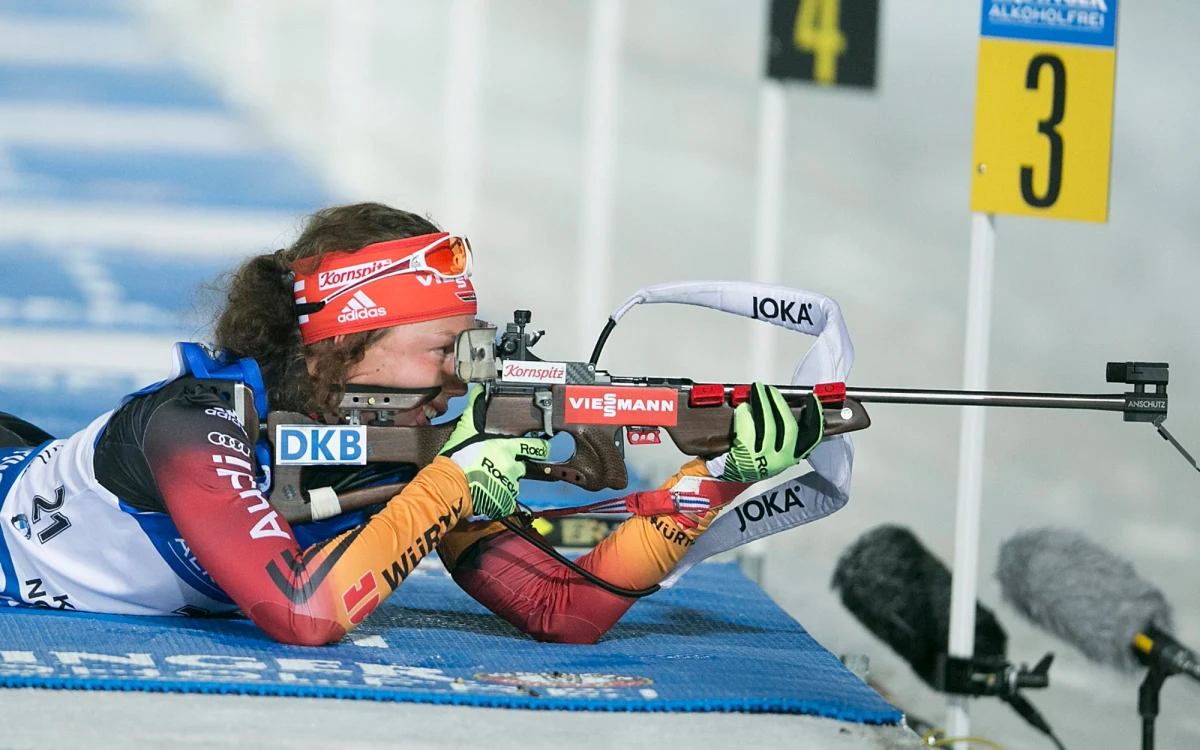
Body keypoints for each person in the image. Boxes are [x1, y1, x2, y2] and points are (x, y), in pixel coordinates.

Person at [0, 202, 823, 646]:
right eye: (441, 347)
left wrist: (716, 479)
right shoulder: (189, 425)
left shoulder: (410, 449)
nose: (461, 372)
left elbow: (560, 607)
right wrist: (449, 484)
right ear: (340, 346)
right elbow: (304, 614)